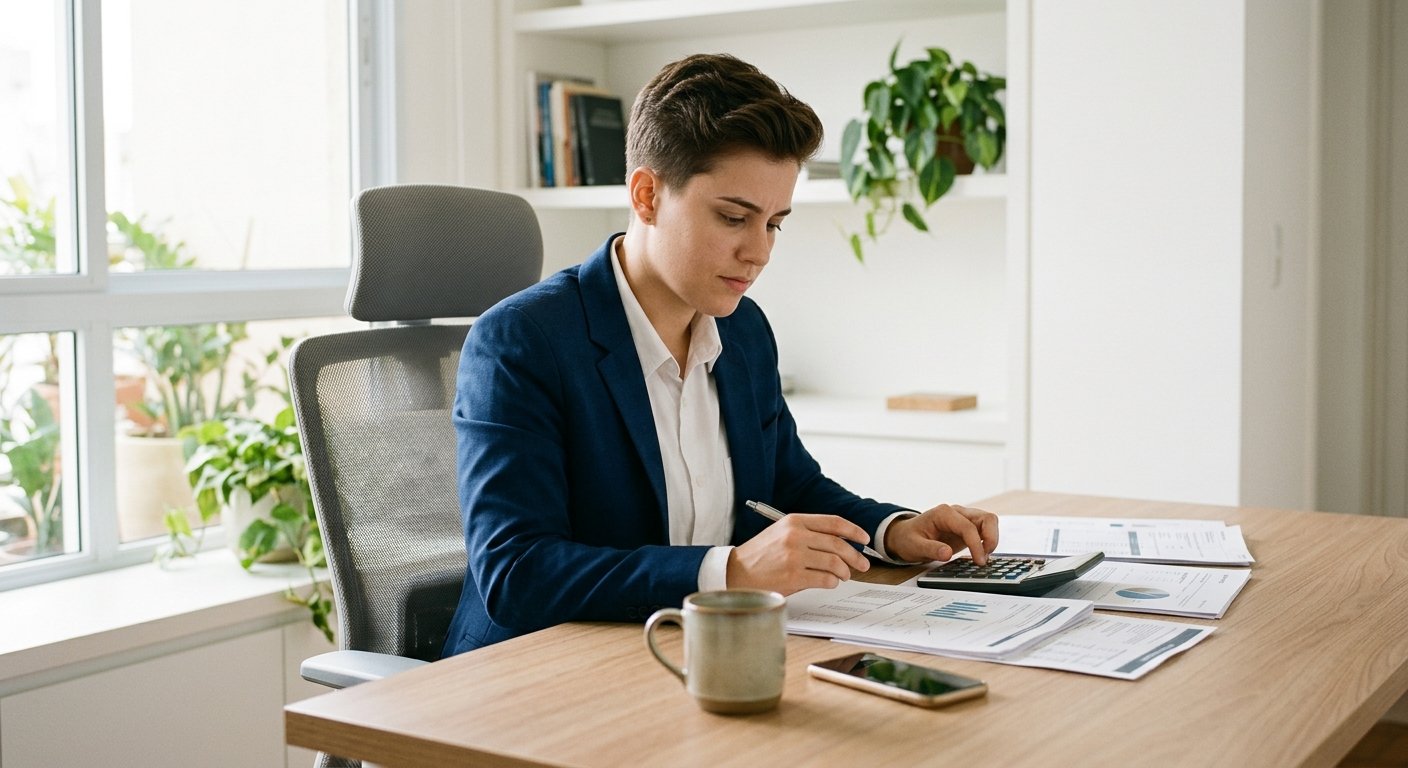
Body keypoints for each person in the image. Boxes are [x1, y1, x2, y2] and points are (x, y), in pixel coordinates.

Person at [443, 53, 998, 656]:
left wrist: (895, 531)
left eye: (774, 224)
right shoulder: (522, 341)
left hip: (686, 655)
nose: (758, 252)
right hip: (532, 674)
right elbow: (516, 572)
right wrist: (729, 572)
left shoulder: (744, 332)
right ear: (648, 194)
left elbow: (787, 486)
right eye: (734, 217)